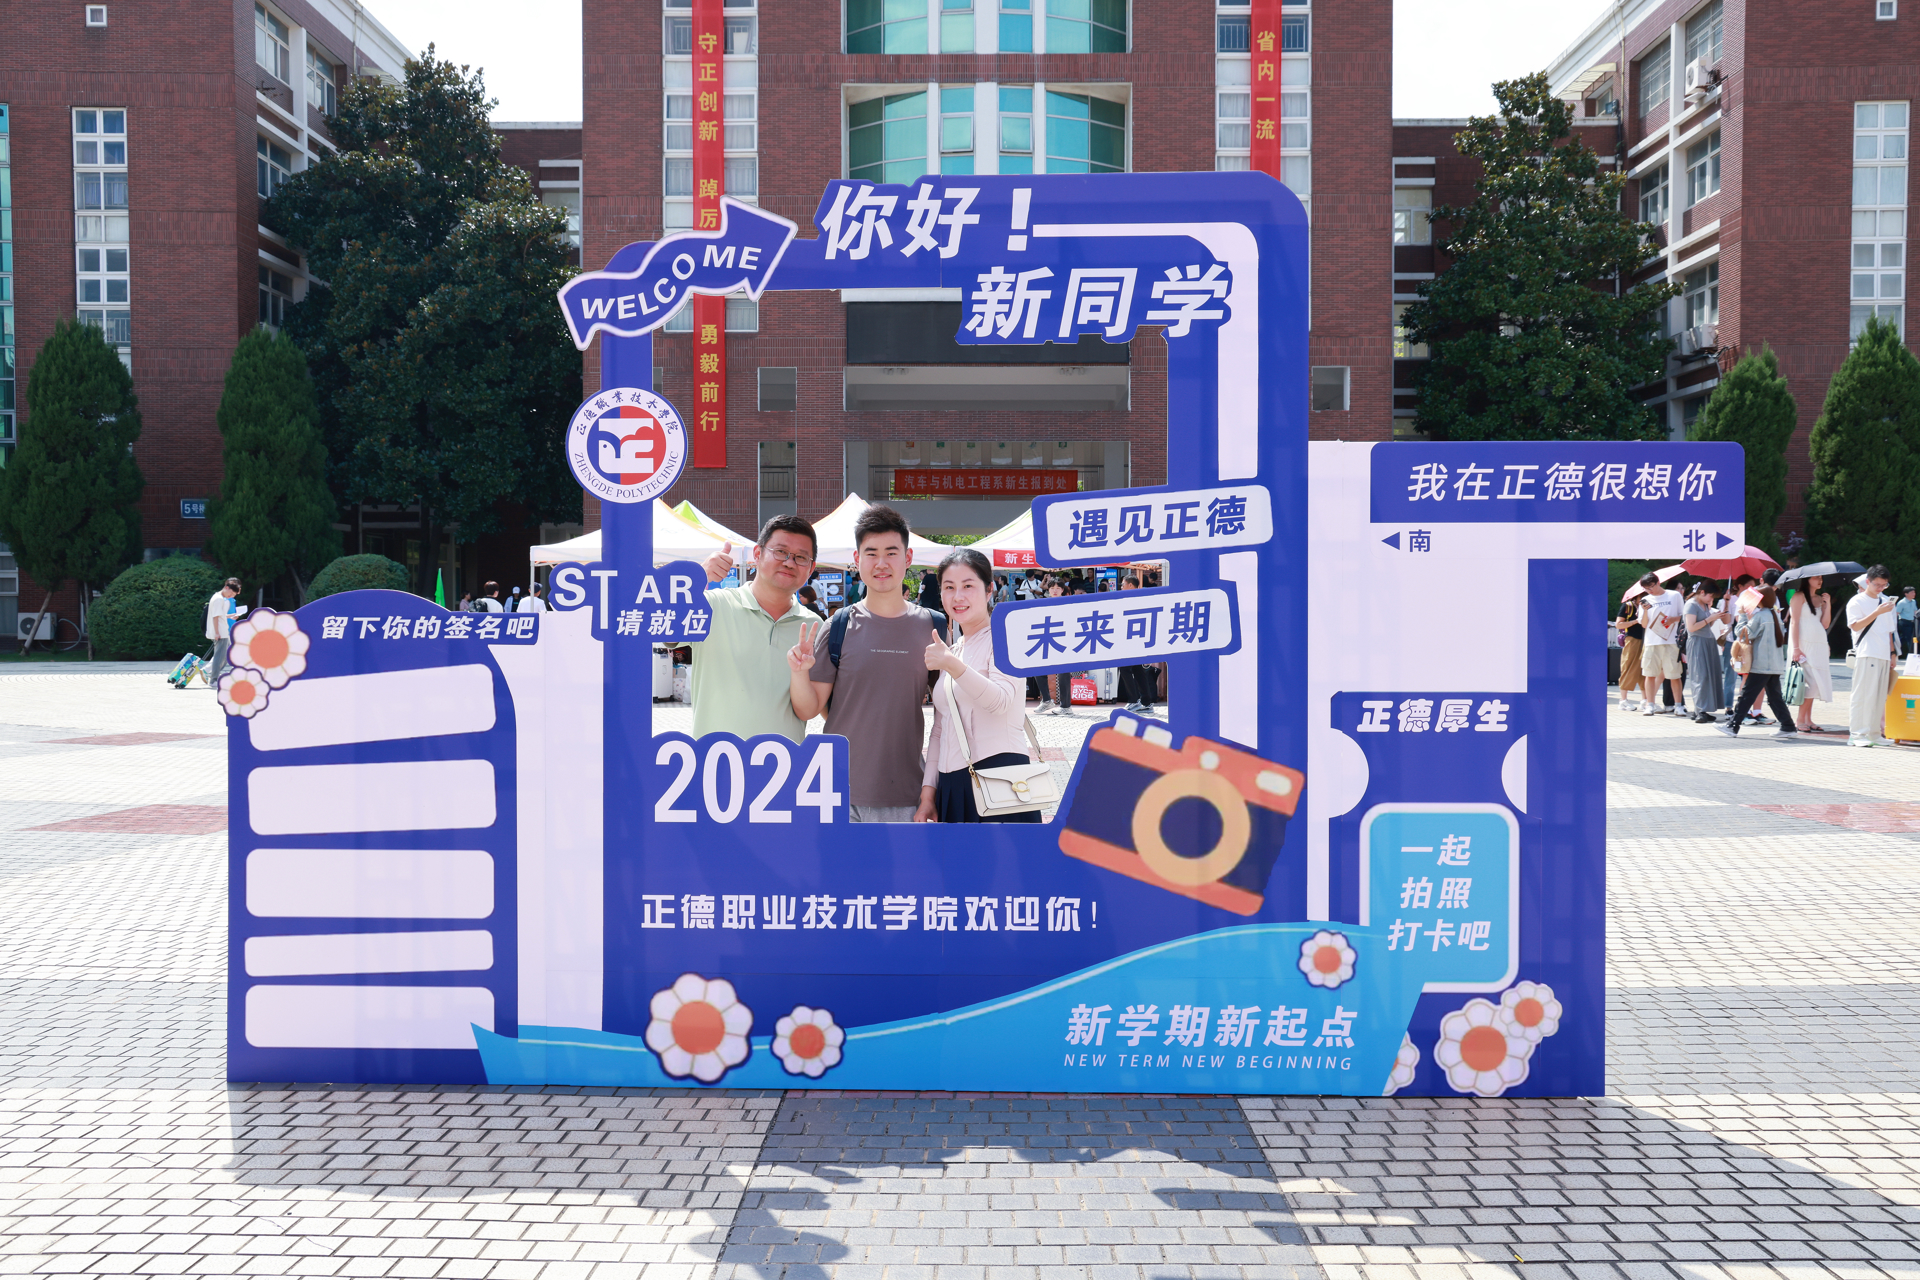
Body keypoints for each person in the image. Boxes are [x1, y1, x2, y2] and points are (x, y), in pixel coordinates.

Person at [789, 505, 943, 822]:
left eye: (891, 553)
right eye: (871, 553)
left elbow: (948, 716)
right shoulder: (838, 625)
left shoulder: (933, 627)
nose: (881, 563)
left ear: (908, 558)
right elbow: (808, 709)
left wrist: (930, 791)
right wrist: (799, 673)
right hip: (837, 793)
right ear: (857, 560)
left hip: (906, 795)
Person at [913, 548, 1042, 825]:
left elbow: (1001, 701)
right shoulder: (954, 650)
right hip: (951, 785)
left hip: (1001, 778)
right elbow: (940, 730)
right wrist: (928, 794)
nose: (958, 596)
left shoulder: (1005, 638)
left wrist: (950, 664)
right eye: (949, 587)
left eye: (968, 586)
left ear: (989, 589)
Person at [692, 515, 821, 742]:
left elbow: (808, 710)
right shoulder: (712, 605)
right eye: (780, 551)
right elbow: (664, 629)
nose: (789, 562)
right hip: (713, 760)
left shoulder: (814, 628)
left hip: (786, 761)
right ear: (757, 554)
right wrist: (697, 579)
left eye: (800, 557)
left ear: (810, 569)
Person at [1719, 586, 1800, 739]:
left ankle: (1732, 726)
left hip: (1761, 664)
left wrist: (1743, 615)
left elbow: (1743, 634)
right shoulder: (1774, 615)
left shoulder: (1760, 616)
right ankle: (1788, 726)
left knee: (1746, 695)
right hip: (1773, 664)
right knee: (1774, 698)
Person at [1846, 566, 1900, 747]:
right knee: (1863, 694)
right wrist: (1877, 612)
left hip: (1883, 653)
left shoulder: (1886, 602)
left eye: (1884, 585)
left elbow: (1889, 631)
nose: (1880, 588)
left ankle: (1874, 733)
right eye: (1877, 584)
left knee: (1879, 696)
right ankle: (1857, 734)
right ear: (1867, 581)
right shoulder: (1857, 601)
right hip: (1866, 652)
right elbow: (1855, 626)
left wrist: (1892, 653)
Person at [1635, 572, 1685, 715]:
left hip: (1671, 640)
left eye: (1651, 587)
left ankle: (1678, 705)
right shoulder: (1645, 600)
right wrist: (1645, 611)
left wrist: (1672, 619)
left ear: (1658, 582)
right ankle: (1650, 704)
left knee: (1674, 674)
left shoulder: (1674, 595)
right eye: (1646, 588)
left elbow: (1683, 616)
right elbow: (1644, 624)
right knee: (1649, 674)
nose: (1649, 590)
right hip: (1652, 642)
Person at [1789, 574, 1834, 733]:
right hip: (1803, 643)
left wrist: (1827, 604)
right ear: (1807, 579)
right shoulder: (1798, 596)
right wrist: (1796, 648)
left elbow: (1825, 624)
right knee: (1811, 683)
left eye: (1821, 578)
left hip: (1819, 643)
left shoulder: (1819, 598)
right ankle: (1800, 719)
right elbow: (1794, 622)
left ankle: (1808, 719)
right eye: (1816, 577)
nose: (1819, 580)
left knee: (1816, 682)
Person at [1682, 583, 1727, 723]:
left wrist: (1713, 618)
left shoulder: (1705, 605)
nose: (1711, 599)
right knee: (1700, 676)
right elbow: (1691, 627)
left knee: (1709, 676)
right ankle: (1699, 710)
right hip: (1697, 642)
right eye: (1711, 596)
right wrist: (1709, 619)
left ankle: (1702, 709)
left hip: (1708, 641)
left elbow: (1707, 624)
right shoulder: (1691, 605)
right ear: (1702, 592)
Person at [1118, 576, 1159, 715]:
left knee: (1125, 668)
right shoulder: (1140, 597)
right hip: (1136, 638)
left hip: (1133, 638)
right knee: (1138, 669)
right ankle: (1146, 703)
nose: (1121, 587)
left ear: (1130, 585)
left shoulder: (1136, 598)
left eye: (1123, 584)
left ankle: (1134, 700)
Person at [204, 577, 245, 681]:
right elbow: (216, 617)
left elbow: (220, 615)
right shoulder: (219, 599)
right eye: (231, 593)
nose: (231, 596)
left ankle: (213, 676)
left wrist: (230, 616)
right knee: (220, 657)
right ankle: (214, 679)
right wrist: (217, 633)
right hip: (221, 632)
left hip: (222, 631)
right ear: (226, 587)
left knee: (225, 655)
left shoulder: (218, 597)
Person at [1615, 596, 1645, 712]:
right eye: (1643, 595)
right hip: (1632, 640)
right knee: (1628, 667)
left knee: (1645, 670)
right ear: (1637, 596)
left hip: (1645, 640)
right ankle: (1623, 700)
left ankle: (1645, 700)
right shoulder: (1628, 606)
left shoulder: (1647, 607)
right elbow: (1618, 624)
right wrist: (1635, 621)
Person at [1899, 586, 1918, 657]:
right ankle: (1912, 655)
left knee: (1903, 638)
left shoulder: (1913, 601)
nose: (1914, 594)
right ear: (1906, 594)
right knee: (1909, 639)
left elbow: (1915, 611)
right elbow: (1897, 613)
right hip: (1904, 622)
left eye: (1914, 592)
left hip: (1912, 622)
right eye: (1912, 592)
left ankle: (1895, 651)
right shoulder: (1901, 603)